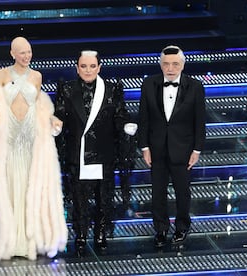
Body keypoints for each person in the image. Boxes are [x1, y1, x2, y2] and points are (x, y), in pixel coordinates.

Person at [0, 36, 68, 263]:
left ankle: (30, 241)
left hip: (30, 138)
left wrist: (52, 118)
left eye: (29, 52)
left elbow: (40, 107)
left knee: (30, 187)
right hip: (9, 139)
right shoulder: (3, 74)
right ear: (12, 54)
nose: (26, 56)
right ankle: (9, 240)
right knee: (9, 186)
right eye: (22, 52)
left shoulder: (37, 76)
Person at [54, 50, 137, 254]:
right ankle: (81, 234)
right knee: (79, 197)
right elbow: (59, 113)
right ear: (77, 68)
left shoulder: (111, 89)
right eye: (84, 66)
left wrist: (126, 125)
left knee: (103, 196)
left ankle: (101, 234)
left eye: (92, 66)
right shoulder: (67, 89)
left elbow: (120, 114)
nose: (88, 70)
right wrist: (55, 123)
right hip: (78, 153)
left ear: (99, 67)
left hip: (103, 153)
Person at [138, 45, 206, 248]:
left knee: (182, 192)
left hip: (183, 149)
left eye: (175, 64)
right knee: (157, 192)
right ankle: (160, 229)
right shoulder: (149, 84)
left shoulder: (195, 86)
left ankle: (182, 227)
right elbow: (144, 118)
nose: (170, 68)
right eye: (166, 64)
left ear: (182, 65)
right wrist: (144, 146)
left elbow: (199, 121)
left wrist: (197, 149)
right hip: (156, 148)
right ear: (160, 64)